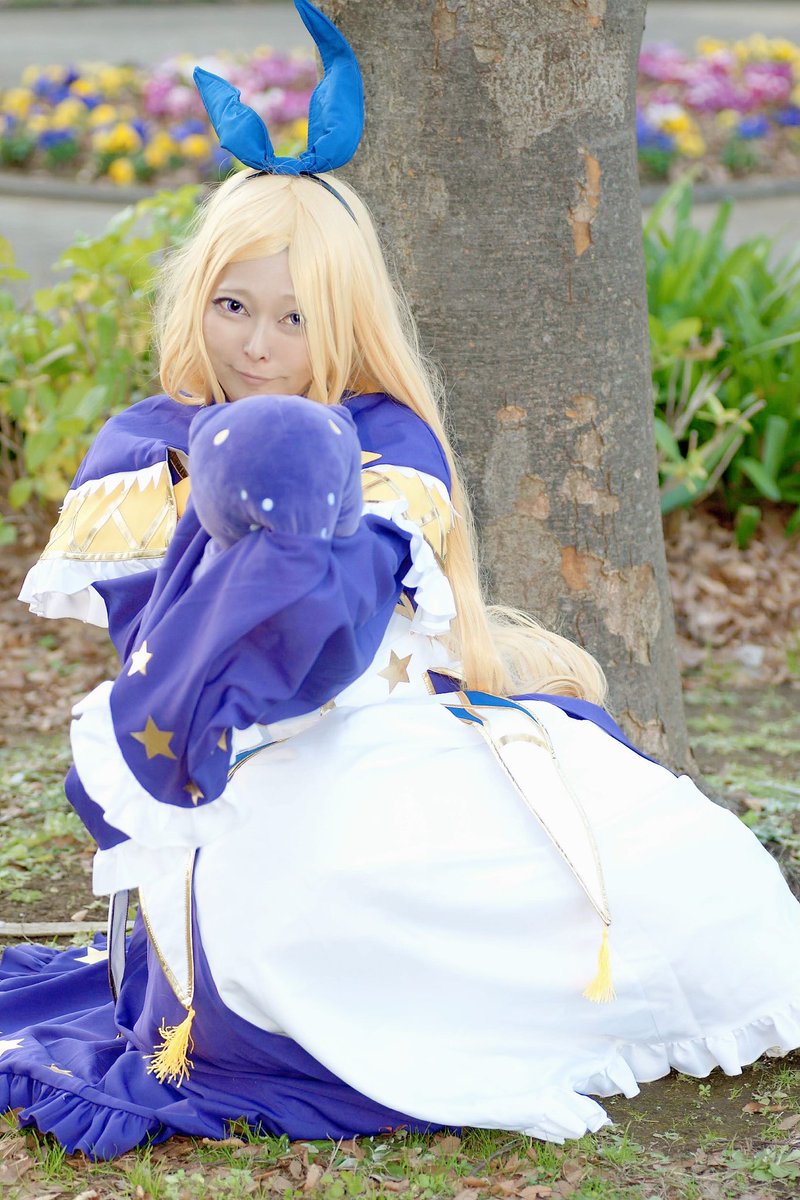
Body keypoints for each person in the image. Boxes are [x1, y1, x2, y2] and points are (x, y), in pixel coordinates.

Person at [4, 0, 800, 1162]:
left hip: (391, 729)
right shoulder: (146, 442)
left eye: (295, 316)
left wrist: (298, 505)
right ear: (196, 301)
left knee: (675, 869)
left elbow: (345, 619)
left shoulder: (384, 437)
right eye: (234, 307)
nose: (259, 346)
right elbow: (161, 652)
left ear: (347, 316)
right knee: (302, 913)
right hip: (232, 763)